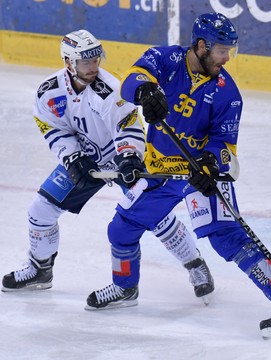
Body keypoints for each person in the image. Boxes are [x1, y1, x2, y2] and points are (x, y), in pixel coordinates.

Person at [86, 13, 271, 337]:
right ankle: (125, 288)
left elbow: (225, 147)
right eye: (221, 50)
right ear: (201, 46)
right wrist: (147, 91)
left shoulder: (227, 93)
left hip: (197, 174)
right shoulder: (166, 59)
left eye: (230, 50)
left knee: (226, 238)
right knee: (121, 228)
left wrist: (210, 167)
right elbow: (132, 81)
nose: (226, 57)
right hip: (160, 169)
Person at [1, 30, 214, 305]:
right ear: (68, 62)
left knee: (153, 215)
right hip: (86, 160)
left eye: (95, 59)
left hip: (121, 158)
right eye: (85, 61)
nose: (93, 66)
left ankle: (194, 262)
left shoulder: (110, 89)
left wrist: (128, 157)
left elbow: (127, 125)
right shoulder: (49, 92)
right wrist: (72, 157)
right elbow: (52, 128)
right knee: (40, 211)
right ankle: (40, 269)